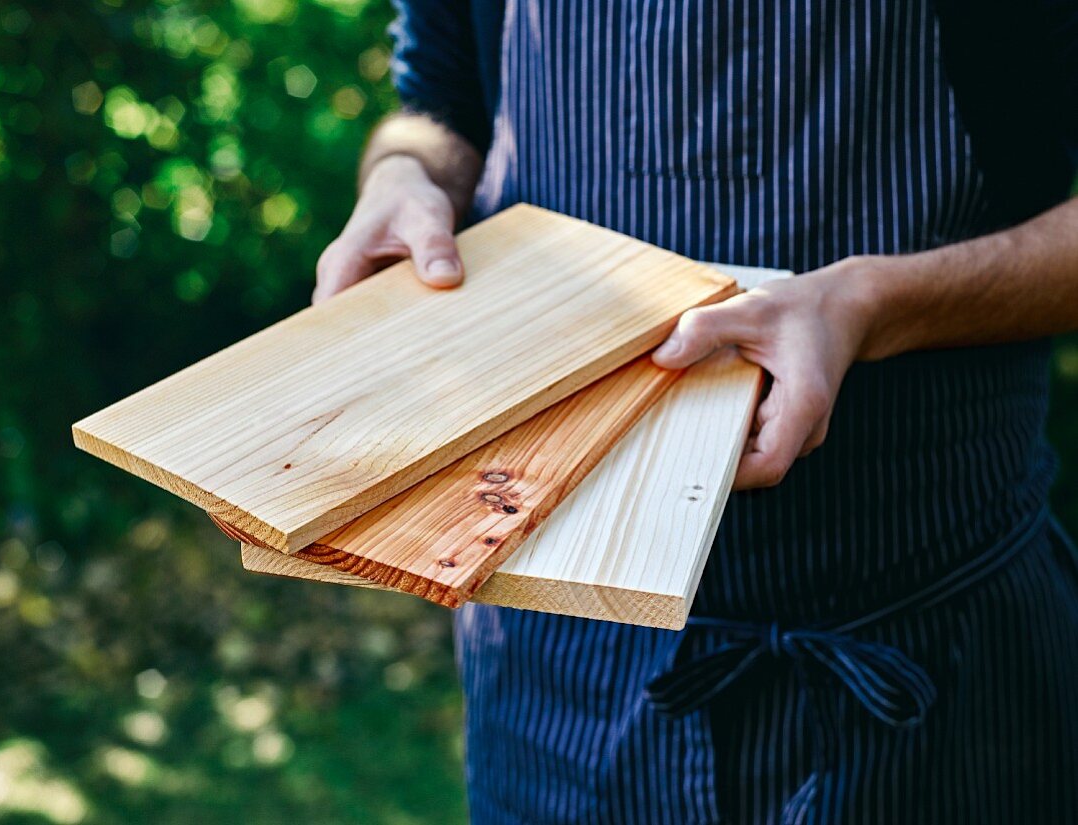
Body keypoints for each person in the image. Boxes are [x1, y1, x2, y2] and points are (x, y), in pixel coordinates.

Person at [315, 1, 1078, 822]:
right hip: (550, 674)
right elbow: (438, 105)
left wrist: (872, 303)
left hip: (929, 669)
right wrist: (404, 174)